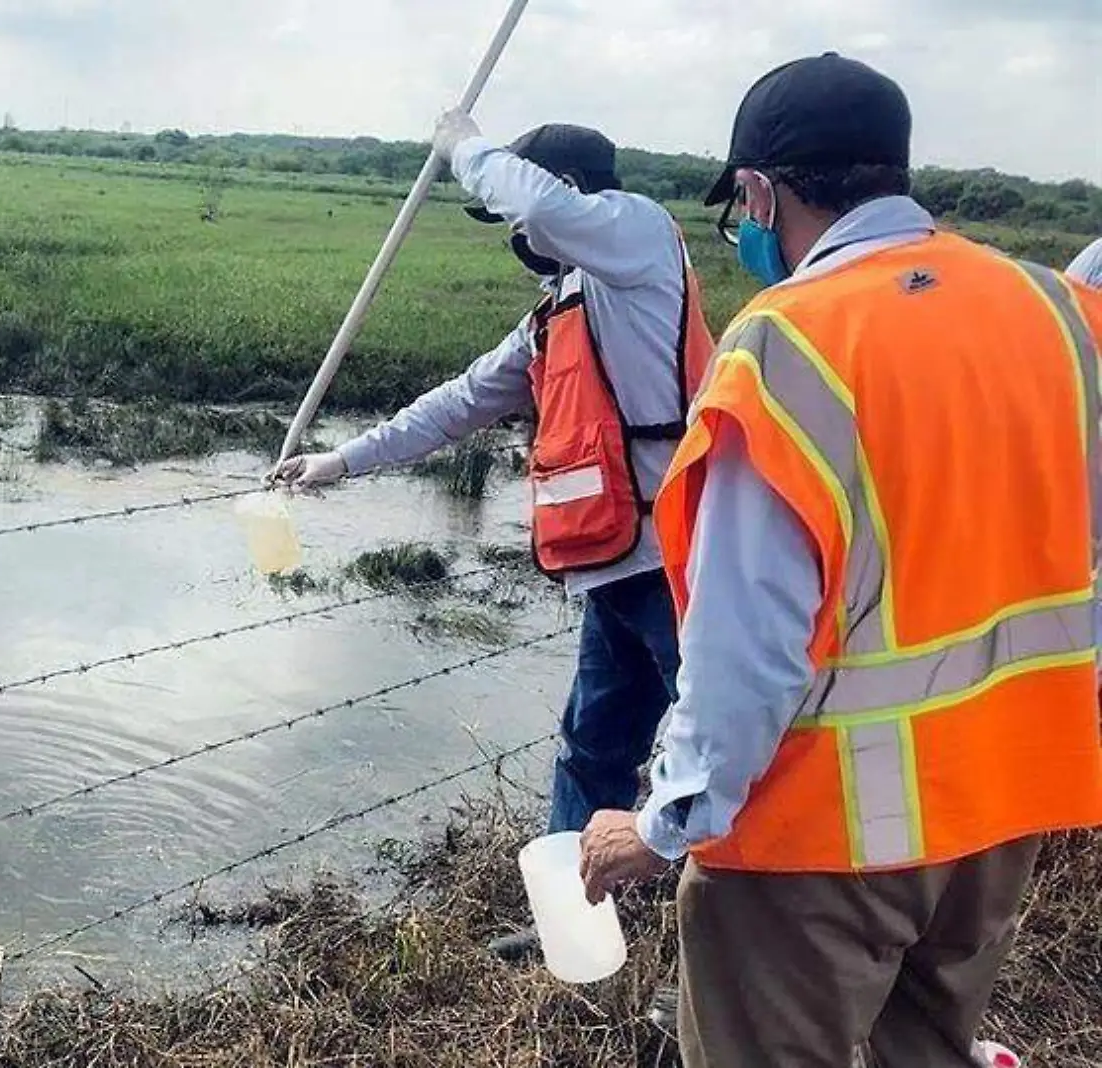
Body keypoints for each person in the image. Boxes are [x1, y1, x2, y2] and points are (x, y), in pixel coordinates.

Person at [578, 52, 1102, 1067]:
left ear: (763, 193)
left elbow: (746, 650)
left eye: (740, 207)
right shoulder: (1054, 311)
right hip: (1001, 805)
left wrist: (664, 822)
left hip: (815, 841)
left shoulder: (784, 346)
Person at [270, 112, 716, 960]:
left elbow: (536, 202)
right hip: (614, 569)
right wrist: (343, 463)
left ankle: (722, 942)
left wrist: (464, 143)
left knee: (720, 755)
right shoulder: (558, 313)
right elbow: (461, 401)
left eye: (519, 218)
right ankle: (573, 928)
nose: (516, 236)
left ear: (566, 199)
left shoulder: (639, 239)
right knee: (592, 748)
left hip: (684, 563)